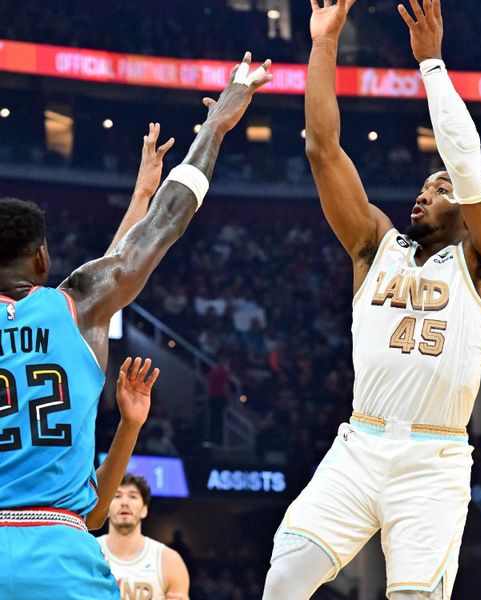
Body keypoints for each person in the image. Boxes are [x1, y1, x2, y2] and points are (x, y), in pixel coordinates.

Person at [262, 1, 481, 598]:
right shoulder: (375, 244)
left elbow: (470, 167)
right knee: (284, 579)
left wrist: (431, 66)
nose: (424, 194)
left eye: (440, 187)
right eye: (424, 186)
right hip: (360, 442)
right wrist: (324, 44)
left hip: (434, 459)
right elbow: (323, 151)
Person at [0, 52, 272, 599]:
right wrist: (215, 126)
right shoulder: (78, 306)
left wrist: (139, 197)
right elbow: (157, 232)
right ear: (42, 262)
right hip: (62, 552)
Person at [97, 474, 190, 600]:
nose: (125, 502)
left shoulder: (169, 560)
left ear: (144, 509)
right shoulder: (90, 553)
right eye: (117, 496)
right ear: (106, 508)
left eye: (133, 496)